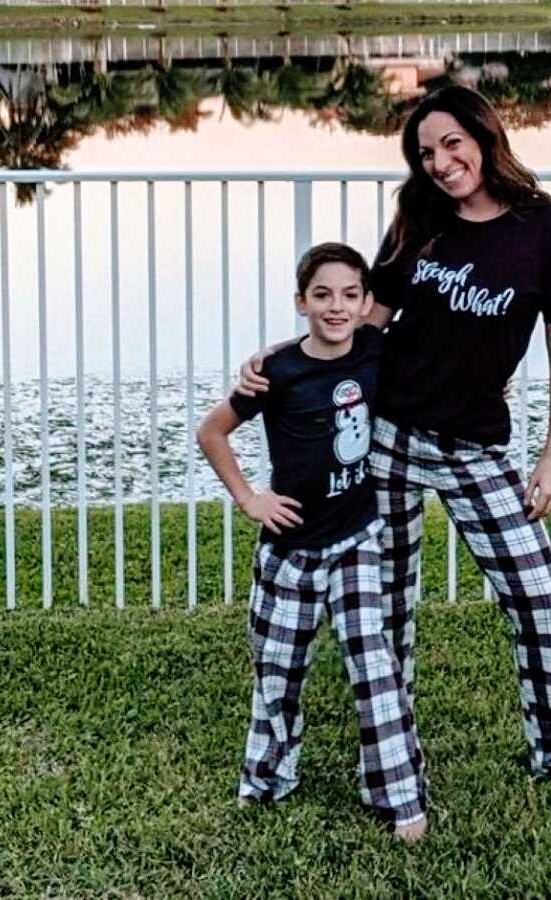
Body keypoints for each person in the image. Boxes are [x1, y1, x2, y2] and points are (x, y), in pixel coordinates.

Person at [238, 85, 551, 791]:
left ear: (483, 136)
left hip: (474, 449)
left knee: (538, 598)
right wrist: (287, 357)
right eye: (425, 152)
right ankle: (394, 756)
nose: (439, 163)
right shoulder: (420, 217)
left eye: (450, 144)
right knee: (390, 610)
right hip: (387, 438)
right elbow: (366, 318)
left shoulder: (541, 229)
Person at [197, 242, 428, 841]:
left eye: (350, 295)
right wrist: (250, 498)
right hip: (290, 551)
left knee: (373, 664)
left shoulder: (377, 349)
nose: (336, 307)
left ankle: (400, 797)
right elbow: (212, 431)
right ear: (301, 302)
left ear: (367, 303)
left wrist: (484, 396)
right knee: (277, 669)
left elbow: (439, 365)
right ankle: (268, 778)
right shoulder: (277, 371)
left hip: (359, 541)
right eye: (322, 295)